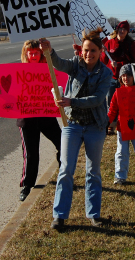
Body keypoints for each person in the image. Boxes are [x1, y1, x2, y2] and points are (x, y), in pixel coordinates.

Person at [39, 27, 113, 229]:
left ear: (100, 52)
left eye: (93, 51)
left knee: (93, 172)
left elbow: (98, 100)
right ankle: (60, 215)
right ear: (81, 50)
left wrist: (71, 101)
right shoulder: (75, 64)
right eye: (86, 50)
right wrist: (49, 51)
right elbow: (59, 64)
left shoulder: (106, 73)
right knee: (65, 169)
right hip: (72, 125)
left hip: (95, 127)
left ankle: (93, 213)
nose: (88, 54)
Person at [0, 40, 61, 202]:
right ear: (25, 54)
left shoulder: (48, 70)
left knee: (63, 144)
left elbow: (58, 86)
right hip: (27, 119)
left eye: (36, 53)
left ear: (41, 54)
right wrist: (1, 93)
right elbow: (11, 96)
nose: (33, 56)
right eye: (30, 53)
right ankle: (27, 185)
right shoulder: (19, 72)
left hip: (46, 115)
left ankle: (64, 174)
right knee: (31, 154)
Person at [101, 20, 135, 134]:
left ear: (127, 31)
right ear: (117, 29)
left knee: (125, 102)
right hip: (112, 78)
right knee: (111, 102)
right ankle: (111, 125)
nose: (122, 31)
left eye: (125, 29)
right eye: (120, 29)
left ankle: (124, 123)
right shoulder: (109, 43)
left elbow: (134, 61)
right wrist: (103, 52)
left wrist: (121, 65)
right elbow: (103, 61)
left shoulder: (131, 44)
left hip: (125, 79)